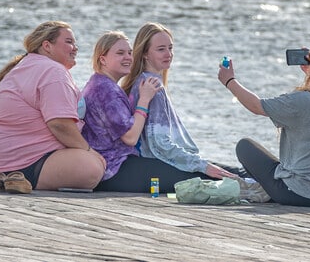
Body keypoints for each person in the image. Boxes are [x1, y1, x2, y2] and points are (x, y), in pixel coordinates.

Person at [217, 36, 310, 207]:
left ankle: (259, 185)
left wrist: (229, 81)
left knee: (245, 146)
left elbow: (257, 106)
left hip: (297, 194)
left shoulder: (302, 101)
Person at [82, 31, 227, 193]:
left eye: (129, 52)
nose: (128, 57)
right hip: (115, 169)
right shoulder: (106, 91)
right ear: (103, 59)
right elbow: (130, 137)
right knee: (206, 179)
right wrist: (144, 100)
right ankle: (246, 182)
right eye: (120, 53)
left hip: (116, 165)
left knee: (207, 172)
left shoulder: (100, 84)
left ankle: (243, 177)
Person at [0, 21, 106, 194]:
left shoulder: (25, 66)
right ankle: (17, 178)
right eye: (69, 42)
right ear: (47, 46)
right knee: (92, 168)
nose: (75, 48)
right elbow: (60, 124)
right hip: (23, 163)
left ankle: (4, 180)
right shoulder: (53, 71)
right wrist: (89, 151)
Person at [121, 22, 247, 188]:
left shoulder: (142, 81)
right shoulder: (152, 86)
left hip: (157, 161)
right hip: (157, 165)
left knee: (238, 173)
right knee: (241, 179)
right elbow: (160, 144)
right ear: (145, 53)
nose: (169, 54)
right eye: (161, 49)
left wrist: (200, 163)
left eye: (170, 48)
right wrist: (202, 166)